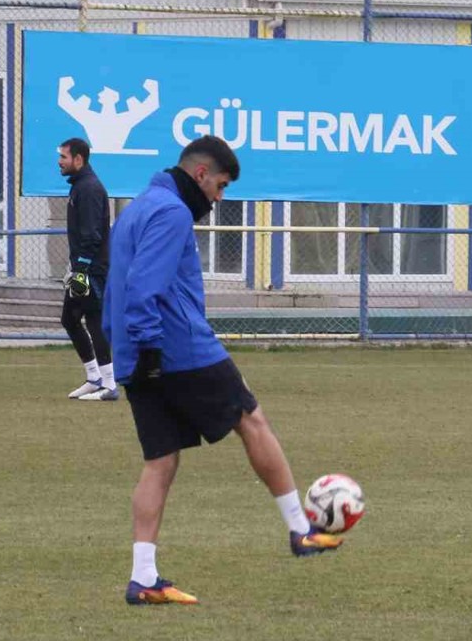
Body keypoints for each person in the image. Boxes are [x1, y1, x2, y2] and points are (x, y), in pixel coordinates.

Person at [103, 135, 343, 606]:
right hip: (177, 348)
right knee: (251, 419)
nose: (219, 197)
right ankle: (300, 530)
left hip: (135, 353)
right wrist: (152, 344)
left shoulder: (136, 207)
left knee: (160, 461)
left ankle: (143, 578)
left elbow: (118, 286)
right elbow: (142, 285)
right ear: (200, 175)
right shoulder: (171, 213)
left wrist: (131, 351)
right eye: (221, 186)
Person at [58, 137, 117, 401]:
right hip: (83, 267)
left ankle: (110, 384)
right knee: (69, 319)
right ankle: (94, 377)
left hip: (93, 269)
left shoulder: (90, 189)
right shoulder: (79, 186)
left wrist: (81, 268)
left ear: (78, 159)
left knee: (94, 320)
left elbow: (93, 235)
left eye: (64, 157)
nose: (59, 162)